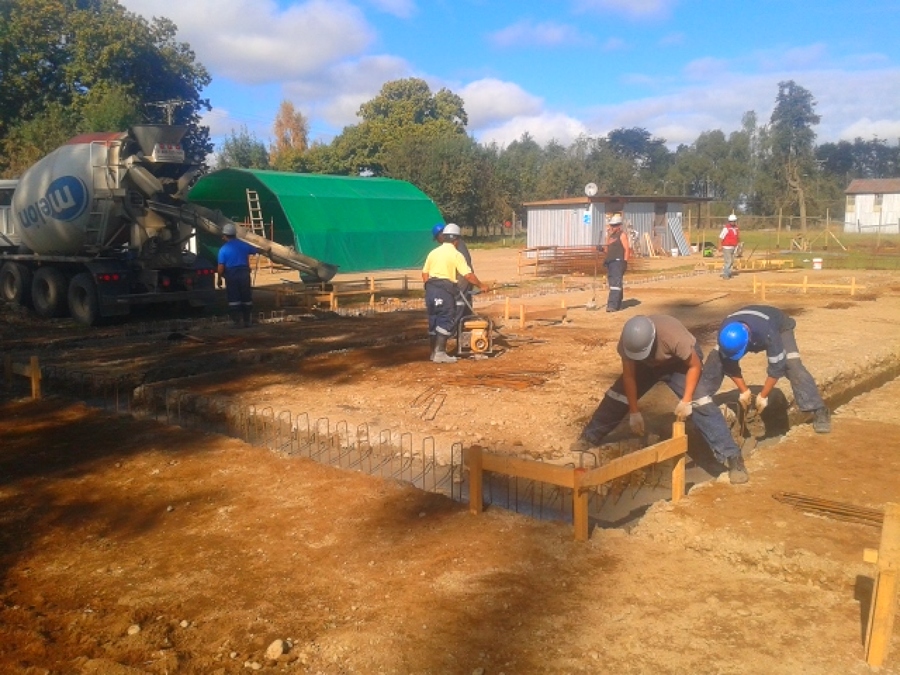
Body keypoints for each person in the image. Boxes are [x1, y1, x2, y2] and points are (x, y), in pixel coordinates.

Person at [570, 314, 749, 484]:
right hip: (647, 367)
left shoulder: (673, 337)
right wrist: (634, 411)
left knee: (701, 401)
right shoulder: (628, 342)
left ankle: (733, 457)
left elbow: (694, 366)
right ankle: (590, 436)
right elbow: (629, 376)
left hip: (678, 363)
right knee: (617, 395)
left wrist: (687, 400)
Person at [703, 304, 831, 433]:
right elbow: (728, 363)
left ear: (748, 341)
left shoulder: (768, 332)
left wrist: (763, 396)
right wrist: (744, 390)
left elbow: (777, 366)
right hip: (750, 326)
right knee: (716, 359)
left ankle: (819, 410)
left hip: (779, 328)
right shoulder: (725, 333)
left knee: (793, 365)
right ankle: (699, 402)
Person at [422, 223, 487, 364]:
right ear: (456, 240)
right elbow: (468, 275)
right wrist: (482, 286)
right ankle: (440, 353)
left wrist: (429, 288)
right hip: (444, 289)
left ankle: (433, 353)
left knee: (434, 320)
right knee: (447, 318)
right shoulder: (456, 254)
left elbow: (425, 273)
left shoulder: (433, 252)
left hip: (431, 289)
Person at [432, 222, 475, 325]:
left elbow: (462, 265)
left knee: (458, 302)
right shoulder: (457, 243)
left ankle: (454, 328)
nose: (438, 242)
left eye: (438, 239)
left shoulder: (456, 244)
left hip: (462, 277)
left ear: (442, 235)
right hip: (465, 276)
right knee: (465, 301)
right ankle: (464, 325)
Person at [216, 222, 256, 328]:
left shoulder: (223, 250)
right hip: (244, 274)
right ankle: (247, 321)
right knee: (246, 297)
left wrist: (219, 279)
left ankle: (237, 322)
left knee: (234, 298)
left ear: (225, 236)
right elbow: (255, 250)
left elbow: (221, 267)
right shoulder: (244, 245)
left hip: (231, 275)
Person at [603, 213, 631, 312]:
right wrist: (601, 249)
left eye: (614, 226)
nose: (612, 227)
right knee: (614, 283)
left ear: (619, 226)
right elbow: (607, 249)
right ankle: (618, 303)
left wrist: (625, 262)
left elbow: (627, 249)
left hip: (618, 262)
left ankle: (612, 305)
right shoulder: (610, 236)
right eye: (611, 225)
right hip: (610, 262)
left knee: (615, 283)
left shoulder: (622, 235)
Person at [718, 213, 740, 279]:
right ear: (729, 221)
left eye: (733, 221)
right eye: (731, 221)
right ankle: (726, 274)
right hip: (727, 247)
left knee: (732, 261)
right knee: (728, 261)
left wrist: (738, 245)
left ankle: (729, 273)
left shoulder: (736, 228)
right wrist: (719, 245)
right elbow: (720, 237)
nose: (732, 222)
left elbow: (737, 237)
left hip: (733, 246)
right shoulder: (726, 228)